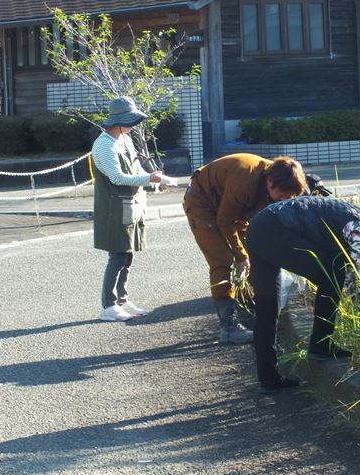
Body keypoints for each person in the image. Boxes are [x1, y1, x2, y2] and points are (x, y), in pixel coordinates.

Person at [245, 196, 360, 393]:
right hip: (277, 228)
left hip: (259, 226)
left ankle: (269, 378)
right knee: (332, 275)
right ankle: (321, 345)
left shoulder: (351, 217)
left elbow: (351, 276)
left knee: (267, 307)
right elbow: (358, 284)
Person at [184, 153, 307, 344]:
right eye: (281, 196)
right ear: (270, 182)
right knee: (223, 260)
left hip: (233, 207)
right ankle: (229, 328)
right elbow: (225, 221)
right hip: (203, 202)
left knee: (255, 253)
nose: (283, 200)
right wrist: (240, 256)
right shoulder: (244, 178)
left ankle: (252, 314)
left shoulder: (282, 178)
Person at [92, 97, 166, 322]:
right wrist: (150, 178)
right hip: (114, 206)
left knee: (128, 253)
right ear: (117, 121)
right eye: (129, 120)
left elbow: (134, 168)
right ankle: (108, 305)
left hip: (131, 204)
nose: (133, 125)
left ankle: (122, 299)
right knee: (117, 254)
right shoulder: (104, 144)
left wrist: (152, 177)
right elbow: (116, 177)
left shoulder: (124, 138)